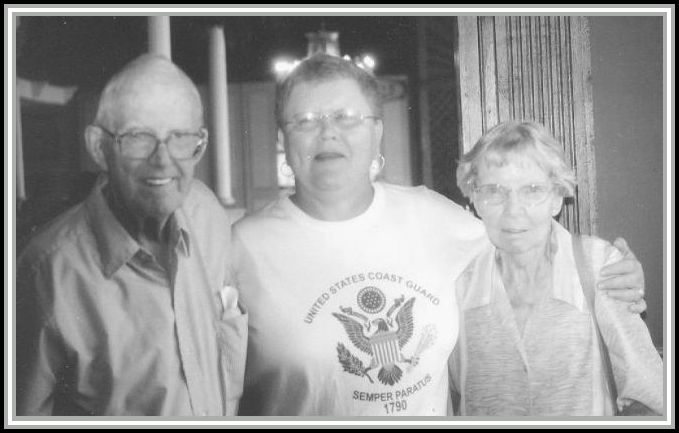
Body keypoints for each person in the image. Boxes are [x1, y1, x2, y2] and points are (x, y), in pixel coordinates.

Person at [231, 53, 646, 416]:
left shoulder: (433, 215)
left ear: (377, 131)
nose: (328, 132)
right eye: (305, 120)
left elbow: (520, 230)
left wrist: (610, 269)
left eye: (347, 117)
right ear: (282, 138)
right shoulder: (239, 248)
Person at [15, 54, 247, 416]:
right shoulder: (46, 273)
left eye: (182, 137)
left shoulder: (208, 216)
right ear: (99, 147)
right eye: (139, 137)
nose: (163, 160)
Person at [450, 120, 663, 416]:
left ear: (557, 198)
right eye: (494, 191)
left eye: (532, 190)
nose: (513, 211)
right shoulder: (457, 280)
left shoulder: (598, 267)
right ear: (474, 198)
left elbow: (650, 398)